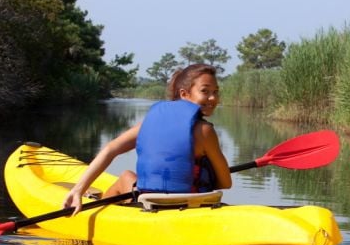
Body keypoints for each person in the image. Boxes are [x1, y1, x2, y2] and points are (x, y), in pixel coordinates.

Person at [63, 63, 232, 215]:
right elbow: (225, 182)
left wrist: (78, 190)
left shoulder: (150, 123)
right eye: (205, 91)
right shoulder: (205, 131)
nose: (213, 98)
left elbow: (110, 149)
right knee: (128, 177)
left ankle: (97, 212)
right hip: (191, 204)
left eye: (215, 92)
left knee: (126, 177)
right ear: (184, 94)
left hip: (154, 203)